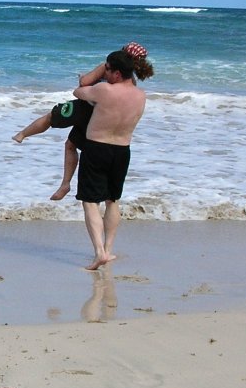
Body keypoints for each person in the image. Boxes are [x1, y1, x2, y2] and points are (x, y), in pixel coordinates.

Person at [72, 42, 154, 270]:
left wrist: (98, 70)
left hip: (97, 148)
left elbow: (79, 89)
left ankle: (99, 252)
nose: (105, 72)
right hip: (122, 152)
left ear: (116, 72)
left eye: (108, 69)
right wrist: (109, 68)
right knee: (112, 201)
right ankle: (108, 249)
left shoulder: (104, 90)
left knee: (90, 202)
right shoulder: (140, 95)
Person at [12, 62, 108, 200]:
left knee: (51, 116)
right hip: (101, 114)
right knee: (71, 144)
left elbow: (84, 81)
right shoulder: (130, 78)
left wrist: (84, 77)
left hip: (84, 107)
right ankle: (65, 184)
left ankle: (22, 134)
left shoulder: (109, 65)